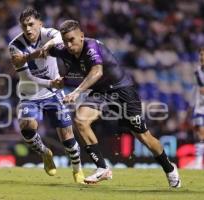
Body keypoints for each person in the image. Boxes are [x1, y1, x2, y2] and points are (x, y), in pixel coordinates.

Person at [41, 19, 181, 187]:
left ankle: (169, 168)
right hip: (102, 92)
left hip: (122, 91)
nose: (69, 45)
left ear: (82, 36)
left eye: (72, 40)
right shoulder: (65, 50)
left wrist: (76, 91)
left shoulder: (91, 47)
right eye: (65, 41)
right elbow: (47, 50)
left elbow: (97, 72)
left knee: (143, 136)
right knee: (80, 120)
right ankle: (102, 168)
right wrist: (26, 57)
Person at [8, 8, 84, 183]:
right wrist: (51, 82)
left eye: (31, 24)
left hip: (53, 93)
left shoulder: (48, 34)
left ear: (40, 24)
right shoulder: (14, 46)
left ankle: (77, 170)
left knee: (66, 134)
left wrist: (48, 46)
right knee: (27, 126)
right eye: (24, 26)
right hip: (30, 94)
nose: (28, 29)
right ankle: (45, 153)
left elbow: (59, 36)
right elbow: (27, 77)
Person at [191, 48, 204, 169]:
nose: (201, 57)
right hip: (199, 108)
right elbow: (200, 90)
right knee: (198, 134)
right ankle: (198, 161)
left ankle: (198, 162)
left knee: (201, 134)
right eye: (200, 54)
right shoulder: (198, 71)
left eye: (203, 55)